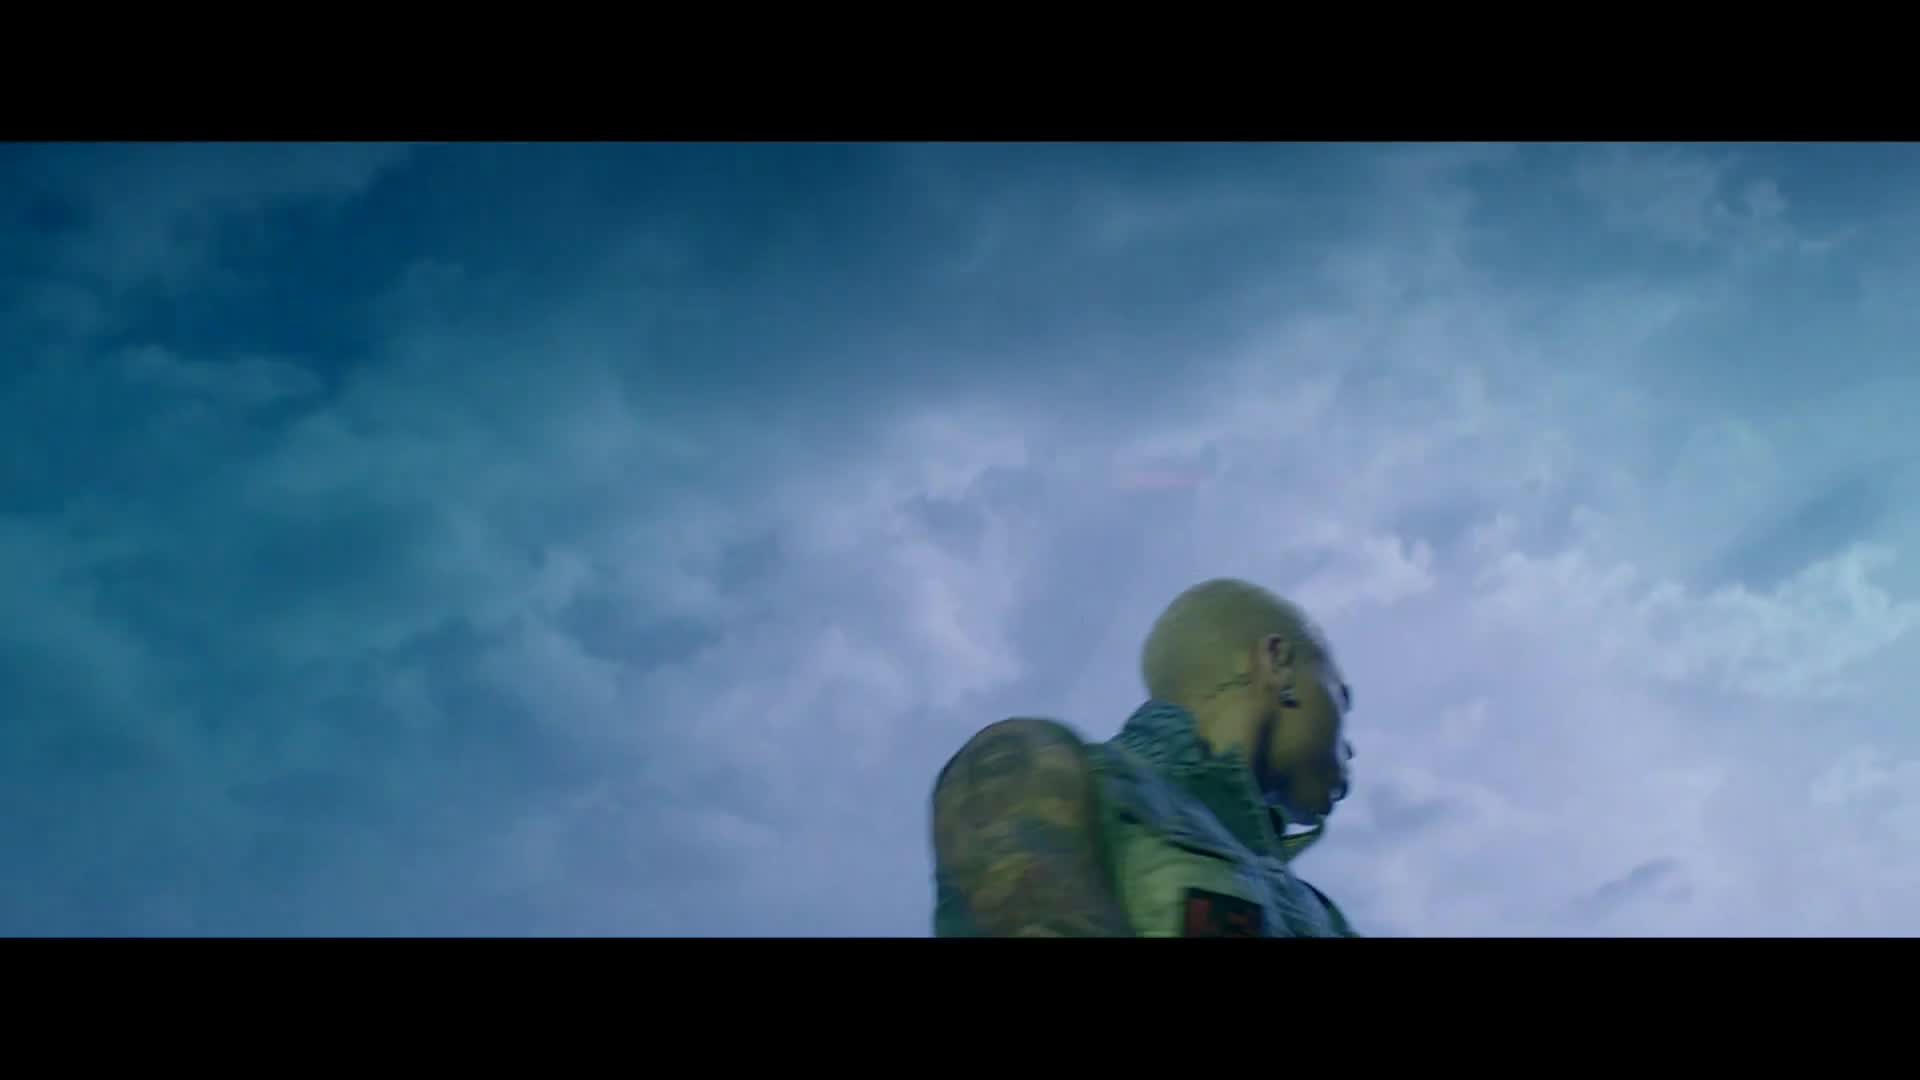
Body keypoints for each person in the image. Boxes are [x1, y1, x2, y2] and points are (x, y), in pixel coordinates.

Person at [929, 578, 1359, 937]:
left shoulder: (1325, 916)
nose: (1350, 748)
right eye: (1341, 696)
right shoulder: (1045, 765)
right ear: (1276, 662)